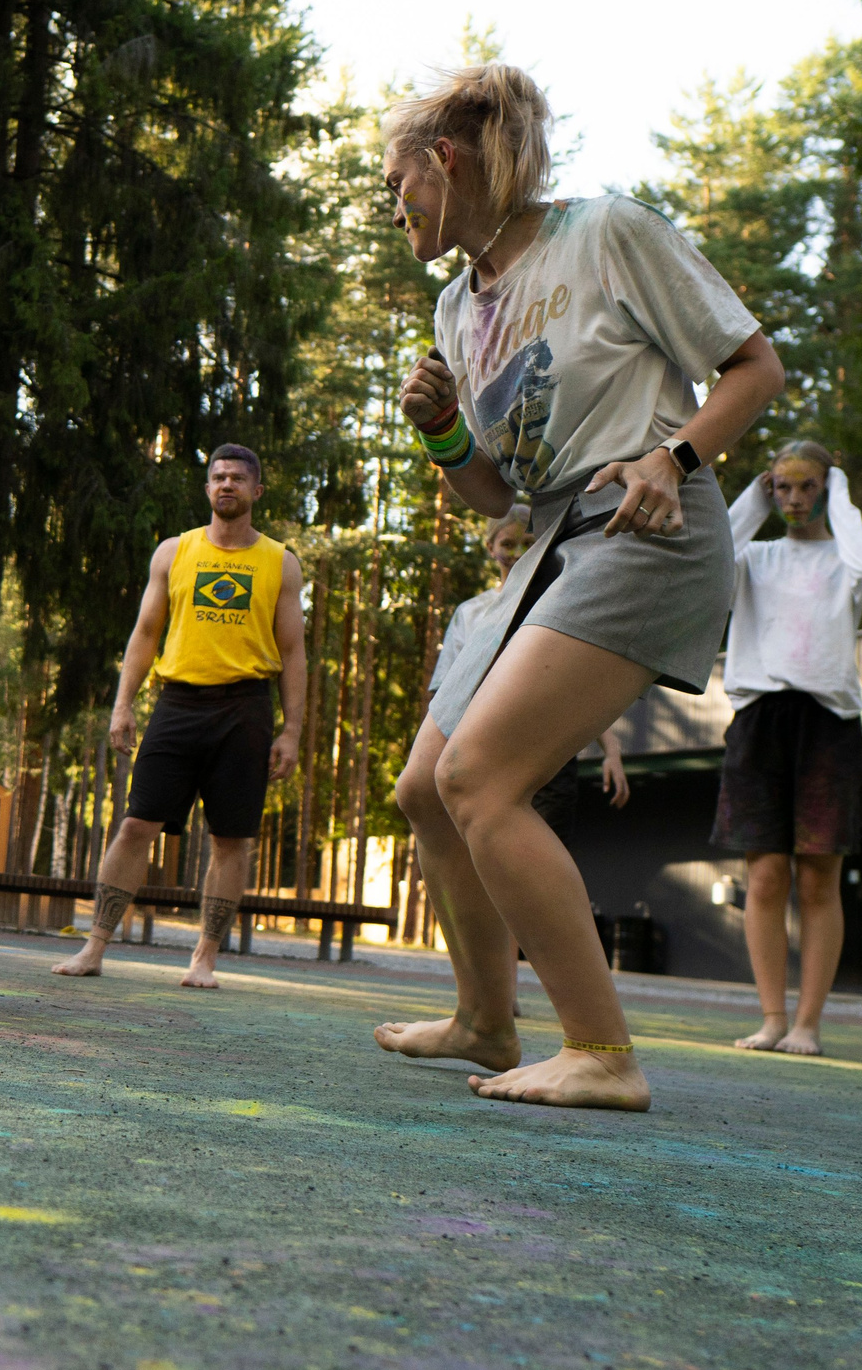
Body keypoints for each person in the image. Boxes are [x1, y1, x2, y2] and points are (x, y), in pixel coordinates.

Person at [371, 63, 784, 1112]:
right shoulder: (456, 306)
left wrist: (670, 461)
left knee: (481, 781)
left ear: (446, 162)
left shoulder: (603, 233)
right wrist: (438, 430)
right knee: (426, 786)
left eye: (397, 183)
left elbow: (753, 370)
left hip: (647, 524)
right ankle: (484, 1018)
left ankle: (602, 1051)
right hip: (553, 536)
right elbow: (490, 491)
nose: (394, 206)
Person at [50, 445, 308, 988]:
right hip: (177, 703)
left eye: (238, 478)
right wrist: (123, 704)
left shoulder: (280, 562)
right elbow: (145, 635)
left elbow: (294, 651)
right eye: (218, 477)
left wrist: (291, 731)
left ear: (257, 491)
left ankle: (204, 959)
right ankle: (94, 947)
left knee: (230, 838)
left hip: (246, 708)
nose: (227, 485)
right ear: (207, 488)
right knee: (135, 824)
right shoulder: (174, 551)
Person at [713, 440, 862, 1056]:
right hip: (758, 719)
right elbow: (713, 551)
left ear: (827, 487)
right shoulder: (755, 557)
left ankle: (809, 1024)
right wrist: (753, 500)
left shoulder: (845, 561)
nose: (794, 498)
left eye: (807, 486)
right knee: (764, 877)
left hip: (828, 724)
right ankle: (771, 1018)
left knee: (818, 877)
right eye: (782, 487)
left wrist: (838, 487)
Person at [430, 506, 633, 846]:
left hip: (549, 753)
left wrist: (611, 751)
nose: (517, 554)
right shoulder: (472, 613)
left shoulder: (560, 608)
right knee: (485, 846)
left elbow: (580, 686)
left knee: (545, 842)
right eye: (508, 544)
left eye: (528, 542)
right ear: (490, 547)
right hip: (484, 747)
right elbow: (443, 693)